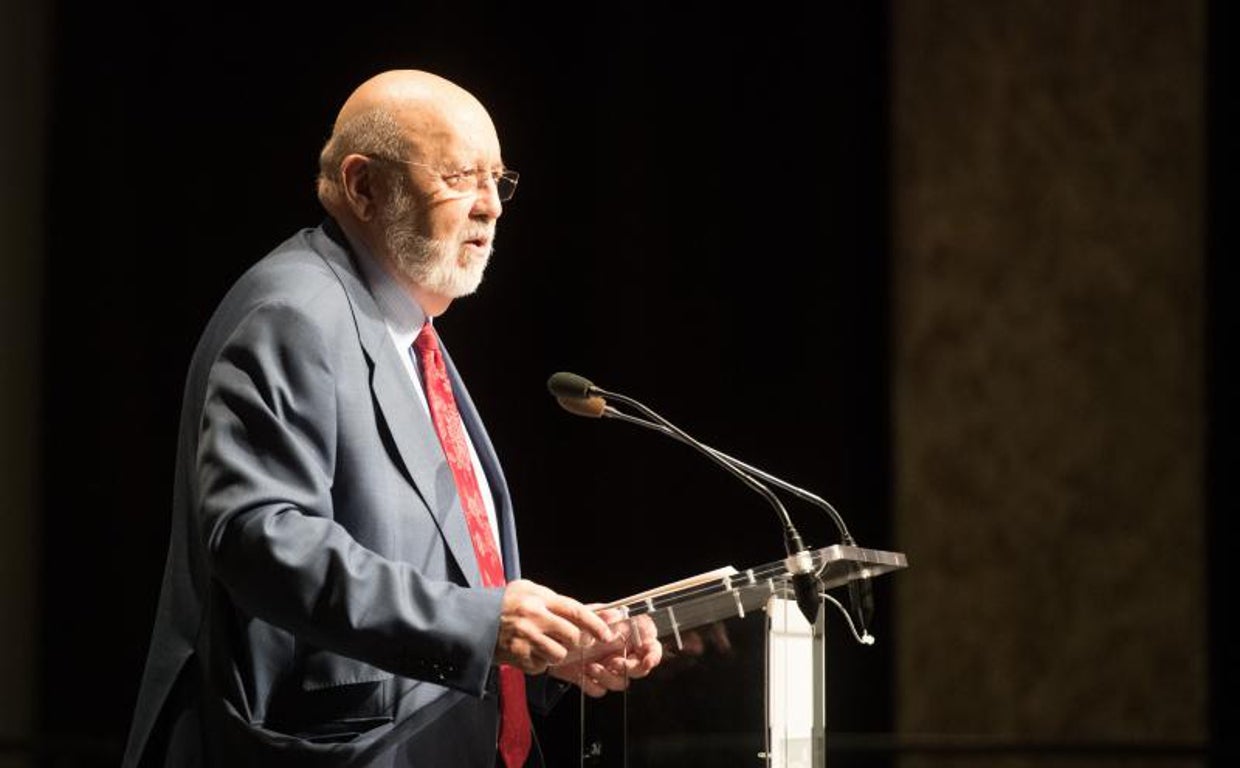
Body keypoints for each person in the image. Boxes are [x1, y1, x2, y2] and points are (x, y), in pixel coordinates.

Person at [122, 69, 662, 768]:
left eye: (498, 180)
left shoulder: (404, 331)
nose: (491, 206)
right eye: (462, 176)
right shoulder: (293, 315)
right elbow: (260, 538)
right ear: (364, 185)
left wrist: (549, 647)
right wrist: (483, 624)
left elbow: (435, 569)